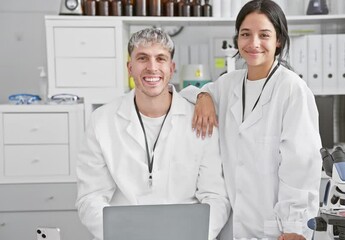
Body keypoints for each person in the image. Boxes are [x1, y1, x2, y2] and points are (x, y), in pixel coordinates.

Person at [180, 0, 322, 239]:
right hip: (234, 226)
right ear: (237, 39)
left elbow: (301, 166)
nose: (253, 43)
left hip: (278, 229)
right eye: (246, 34)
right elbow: (186, 93)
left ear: (278, 41)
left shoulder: (292, 89)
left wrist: (295, 228)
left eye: (264, 35)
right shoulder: (229, 83)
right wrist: (203, 95)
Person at [75, 27, 231, 240]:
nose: (152, 67)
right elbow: (90, 197)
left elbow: (216, 196)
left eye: (160, 59)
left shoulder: (200, 120)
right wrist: (124, 234)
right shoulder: (101, 121)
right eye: (142, 58)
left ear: (172, 67)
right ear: (130, 67)